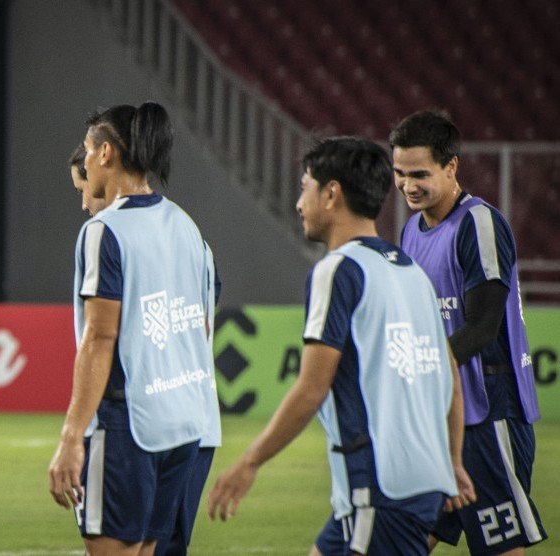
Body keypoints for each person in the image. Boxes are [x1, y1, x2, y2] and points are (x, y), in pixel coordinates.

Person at [207, 137, 476, 555]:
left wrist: (249, 462)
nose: (299, 203)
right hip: (413, 487)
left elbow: (312, 387)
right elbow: (449, 377)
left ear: (331, 193)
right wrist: (453, 461)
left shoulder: (337, 271)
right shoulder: (411, 272)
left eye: (304, 187)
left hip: (380, 491)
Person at [49, 103, 219, 556]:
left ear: (106, 153)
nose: (84, 160)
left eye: (87, 150)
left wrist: (71, 437)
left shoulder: (105, 230)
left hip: (129, 425)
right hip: (183, 424)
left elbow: (100, 338)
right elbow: (200, 325)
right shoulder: (186, 225)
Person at [390, 110, 547, 554]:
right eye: (399, 173)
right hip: (440, 414)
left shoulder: (477, 224)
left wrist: (418, 369)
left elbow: (481, 327)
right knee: (404, 534)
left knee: (501, 545)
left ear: (451, 165)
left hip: (488, 412)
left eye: (420, 173)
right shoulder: (410, 230)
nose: (407, 185)